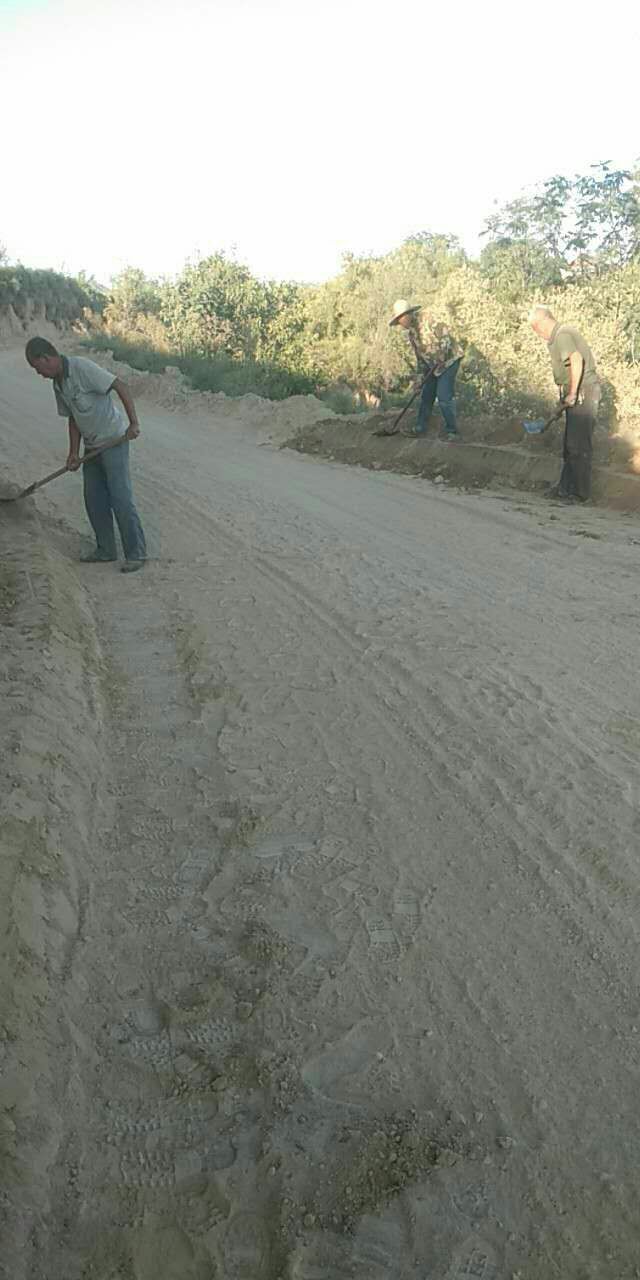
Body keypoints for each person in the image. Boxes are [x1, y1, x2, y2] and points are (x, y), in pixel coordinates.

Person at [25, 337, 147, 572]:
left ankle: (136, 553)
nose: (39, 374)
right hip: (92, 448)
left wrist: (133, 423)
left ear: (46, 358)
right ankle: (106, 550)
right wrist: (73, 452)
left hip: (113, 441)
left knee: (120, 498)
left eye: (37, 368)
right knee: (94, 499)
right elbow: (73, 418)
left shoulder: (82, 368)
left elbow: (120, 385)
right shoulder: (58, 384)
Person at [529, 305, 601, 503]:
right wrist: (564, 399)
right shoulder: (559, 335)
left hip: (584, 391)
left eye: (536, 328)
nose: (538, 334)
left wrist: (573, 393)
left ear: (543, 321)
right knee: (570, 445)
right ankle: (564, 489)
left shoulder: (562, 334)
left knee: (578, 445)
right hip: (576, 390)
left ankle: (579, 494)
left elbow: (576, 360)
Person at [389, 299, 464, 440]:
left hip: (449, 361)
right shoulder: (412, 334)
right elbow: (420, 359)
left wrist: (442, 353)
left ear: (407, 315)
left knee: (443, 396)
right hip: (433, 366)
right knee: (426, 395)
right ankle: (420, 428)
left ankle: (453, 432)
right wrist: (419, 380)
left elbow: (446, 336)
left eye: (400, 319)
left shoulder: (428, 319)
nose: (400, 323)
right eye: (398, 321)